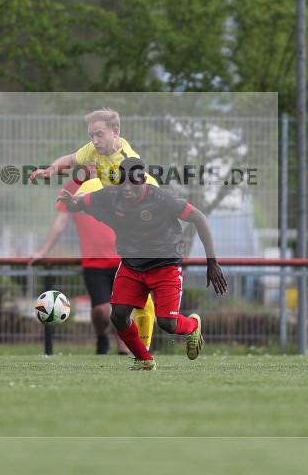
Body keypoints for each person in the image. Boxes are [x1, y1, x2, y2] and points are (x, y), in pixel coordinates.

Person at [57, 158, 228, 371]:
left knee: (168, 324)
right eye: (123, 182)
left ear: (143, 181)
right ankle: (144, 359)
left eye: (132, 183)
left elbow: (199, 218)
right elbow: (80, 203)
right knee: (118, 316)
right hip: (132, 265)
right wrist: (71, 202)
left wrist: (212, 262)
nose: (127, 188)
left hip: (165, 264)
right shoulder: (112, 196)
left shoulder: (161, 199)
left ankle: (193, 326)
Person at [29, 108, 157, 346]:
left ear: (115, 132)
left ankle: (147, 345)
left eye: (99, 134)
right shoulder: (94, 151)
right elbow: (69, 160)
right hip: (115, 242)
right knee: (119, 310)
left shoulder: (128, 164)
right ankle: (134, 349)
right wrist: (51, 170)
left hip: (143, 226)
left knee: (144, 309)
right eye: (92, 135)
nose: (94, 141)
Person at [28, 170, 154, 355]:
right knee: (102, 310)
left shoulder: (118, 184)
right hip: (95, 262)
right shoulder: (74, 187)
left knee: (124, 309)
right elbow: (61, 221)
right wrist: (42, 251)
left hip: (125, 259)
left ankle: (124, 350)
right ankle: (102, 338)